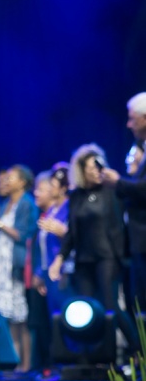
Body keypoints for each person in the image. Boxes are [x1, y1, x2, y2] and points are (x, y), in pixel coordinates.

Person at [49, 145, 136, 349]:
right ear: (81, 170)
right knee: (86, 309)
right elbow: (71, 233)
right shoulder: (76, 196)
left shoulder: (111, 191)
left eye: (99, 166)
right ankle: (94, 354)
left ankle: (137, 349)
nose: (97, 171)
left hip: (108, 258)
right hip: (83, 260)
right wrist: (59, 259)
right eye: (92, 167)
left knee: (110, 305)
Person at [0, 165, 38, 372]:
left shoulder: (27, 203)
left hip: (16, 266)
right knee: (7, 319)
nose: (6, 181)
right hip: (0, 266)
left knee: (20, 319)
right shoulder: (5, 203)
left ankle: (25, 365)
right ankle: (12, 362)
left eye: (11, 178)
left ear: (22, 182)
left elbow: (22, 235)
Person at [102, 92, 146, 325]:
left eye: (132, 119)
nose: (128, 125)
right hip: (138, 242)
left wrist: (118, 182)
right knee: (138, 302)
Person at [28, 167, 70, 369]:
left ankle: (67, 362)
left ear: (62, 188)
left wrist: (63, 231)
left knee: (63, 317)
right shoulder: (51, 211)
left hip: (63, 270)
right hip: (48, 271)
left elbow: (73, 237)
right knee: (51, 319)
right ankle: (55, 364)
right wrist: (40, 273)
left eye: (51, 185)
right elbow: (41, 246)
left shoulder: (68, 208)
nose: (48, 189)